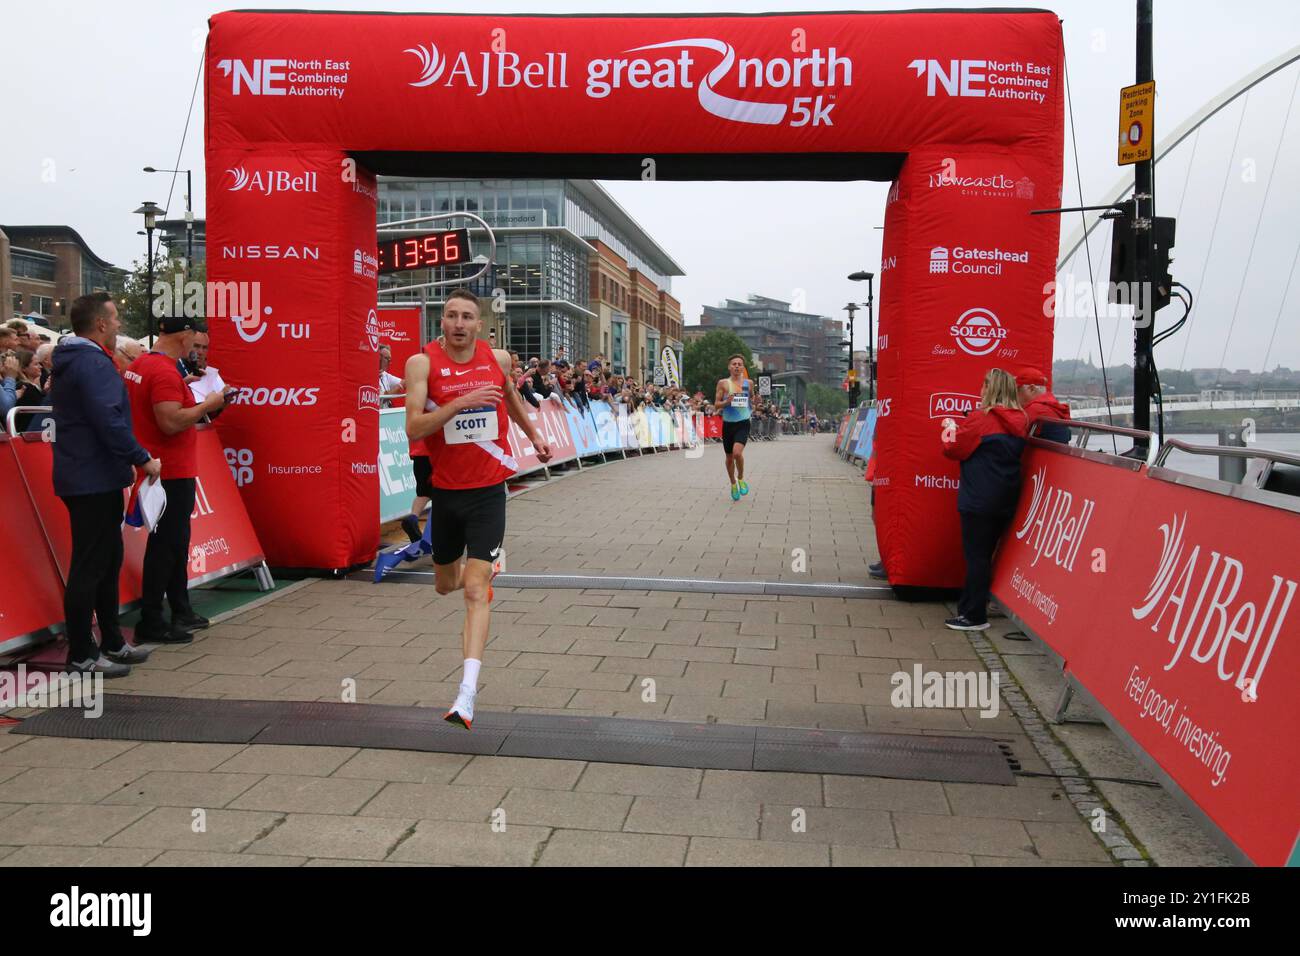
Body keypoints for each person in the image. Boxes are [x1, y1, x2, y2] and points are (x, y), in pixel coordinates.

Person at [404, 288, 552, 730]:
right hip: (446, 493)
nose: (459, 324)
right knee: (446, 585)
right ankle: (473, 575)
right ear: (442, 323)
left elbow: (510, 398)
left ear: (479, 325)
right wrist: (458, 405)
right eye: (451, 316)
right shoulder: (422, 364)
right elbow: (413, 425)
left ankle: (466, 695)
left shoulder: (496, 358)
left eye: (467, 316)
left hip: (489, 490)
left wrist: (535, 436)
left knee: (474, 589)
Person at [51, 293, 161, 677]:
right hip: (91, 478)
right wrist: (141, 456)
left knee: (106, 560)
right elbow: (108, 420)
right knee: (90, 565)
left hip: (91, 475)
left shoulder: (80, 361)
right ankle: (82, 653)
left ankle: (112, 642)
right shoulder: (92, 364)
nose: (118, 326)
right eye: (114, 320)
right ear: (99, 324)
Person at [125, 316, 227, 644]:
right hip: (168, 470)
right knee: (166, 546)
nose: (196, 349)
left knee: (174, 544)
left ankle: (178, 609)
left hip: (161, 466)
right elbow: (170, 422)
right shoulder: (163, 370)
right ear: (184, 335)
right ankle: (153, 619)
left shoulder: (141, 364)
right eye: (194, 342)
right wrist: (208, 404)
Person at [941, 368, 1027, 632]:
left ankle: (973, 615)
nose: (980, 390)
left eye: (984, 385)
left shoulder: (982, 419)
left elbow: (952, 448)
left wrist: (948, 427)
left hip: (978, 498)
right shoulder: (1021, 419)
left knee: (976, 558)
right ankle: (975, 607)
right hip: (1005, 497)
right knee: (987, 555)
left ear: (991, 390)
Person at [715, 354, 753, 501]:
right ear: (729, 367)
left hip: (743, 422)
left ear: (743, 367)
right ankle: (732, 483)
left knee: (737, 453)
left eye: (739, 364)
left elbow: (751, 401)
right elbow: (716, 404)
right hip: (728, 424)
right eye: (734, 364)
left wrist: (755, 402)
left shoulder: (748, 383)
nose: (737, 366)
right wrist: (726, 402)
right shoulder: (723, 383)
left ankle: (741, 478)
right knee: (729, 457)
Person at [1015, 367, 1072, 444]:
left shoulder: (1036, 410)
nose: (1014, 397)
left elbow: (1013, 430)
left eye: (1017, 391)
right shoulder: (1051, 406)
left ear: (1031, 389)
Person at [186, 330, 227, 405]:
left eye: (204, 347)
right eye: (196, 346)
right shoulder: (176, 367)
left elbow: (208, 414)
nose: (200, 352)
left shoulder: (210, 373)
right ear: (186, 344)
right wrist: (183, 383)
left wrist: (223, 403)